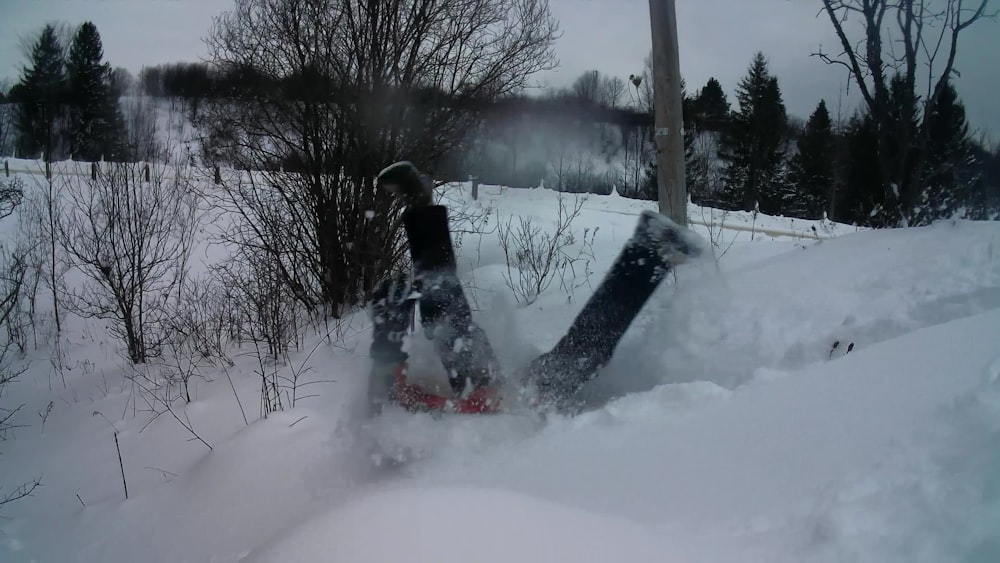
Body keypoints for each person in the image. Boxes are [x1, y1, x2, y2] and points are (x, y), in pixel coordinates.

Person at [369, 161, 702, 415]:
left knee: (444, 314)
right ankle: (650, 250)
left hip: (500, 401)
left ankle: (420, 206)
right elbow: (420, 403)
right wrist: (474, 403)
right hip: (506, 406)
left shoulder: (394, 415)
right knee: (575, 357)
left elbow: (412, 400)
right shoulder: (395, 424)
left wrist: (475, 401)